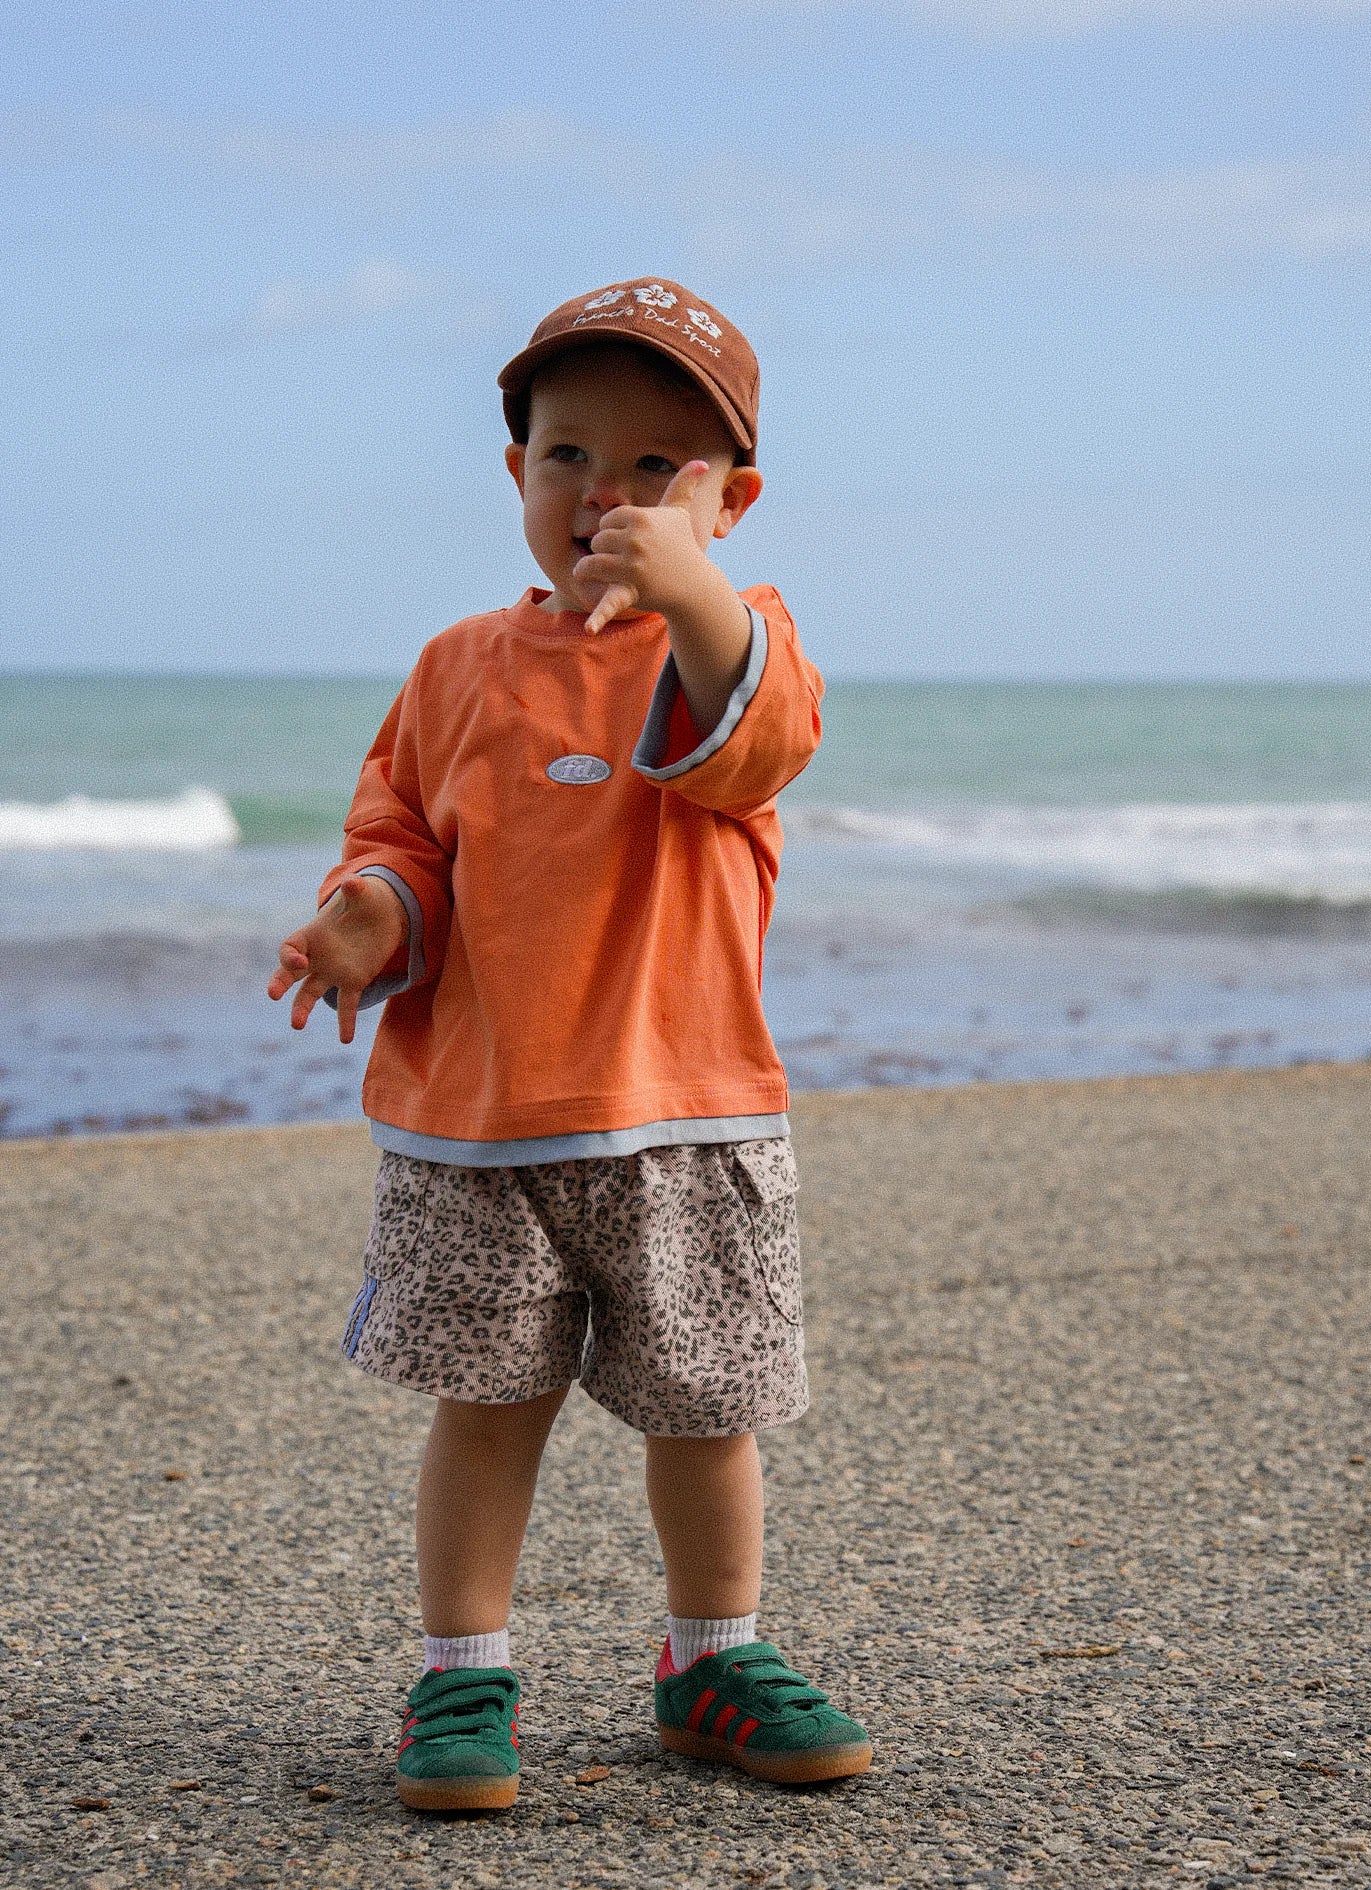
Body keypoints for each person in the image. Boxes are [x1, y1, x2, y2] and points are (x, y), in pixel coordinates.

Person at [267, 278, 871, 1811]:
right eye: (568, 458)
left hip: (688, 1118)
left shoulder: (740, 641)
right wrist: (365, 912)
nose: (606, 495)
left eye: (659, 469)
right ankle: (461, 1673)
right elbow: (403, 832)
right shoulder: (458, 664)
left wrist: (691, 592)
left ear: (730, 501)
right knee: (486, 1408)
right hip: (478, 1129)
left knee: (706, 1407)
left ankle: (708, 1657)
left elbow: (759, 740)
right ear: (517, 474)